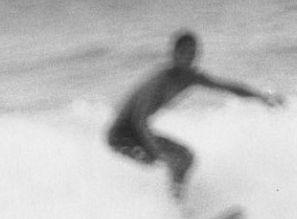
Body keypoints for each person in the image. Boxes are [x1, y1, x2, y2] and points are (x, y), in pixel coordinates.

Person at [107, 30, 283, 198]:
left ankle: (174, 210)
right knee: (177, 159)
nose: (190, 57)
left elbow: (227, 87)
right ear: (174, 54)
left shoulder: (191, 77)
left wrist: (261, 97)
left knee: (185, 158)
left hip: (137, 133)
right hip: (121, 135)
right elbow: (139, 120)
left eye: (193, 53)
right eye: (185, 52)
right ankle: (171, 211)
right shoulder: (160, 81)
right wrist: (158, 151)